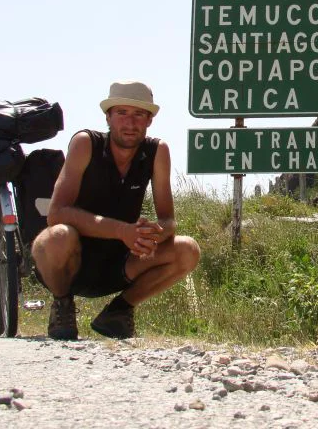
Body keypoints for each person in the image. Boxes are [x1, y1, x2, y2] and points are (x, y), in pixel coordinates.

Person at [31, 80, 200, 340]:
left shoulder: (157, 151)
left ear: (149, 121)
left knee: (187, 250)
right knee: (57, 236)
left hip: (121, 263)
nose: (130, 123)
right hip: (71, 262)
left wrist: (151, 234)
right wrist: (122, 230)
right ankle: (62, 304)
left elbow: (168, 220)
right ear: (108, 117)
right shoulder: (86, 143)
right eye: (122, 113)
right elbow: (57, 213)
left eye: (139, 115)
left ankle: (119, 311)